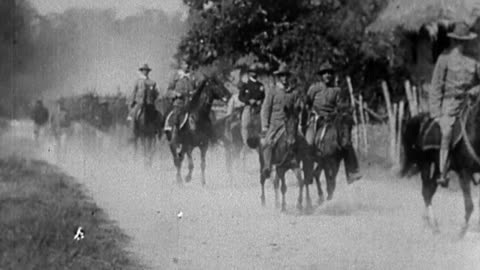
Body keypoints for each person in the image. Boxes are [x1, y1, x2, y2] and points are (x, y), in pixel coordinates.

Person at [431, 21, 480, 187]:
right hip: (448, 107)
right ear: (453, 41)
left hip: (468, 105)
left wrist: (476, 89)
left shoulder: (473, 62)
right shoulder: (443, 59)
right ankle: (442, 171)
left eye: (464, 41)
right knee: (446, 133)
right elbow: (436, 87)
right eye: (459, 41)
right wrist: (436, 114)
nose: (461, 45)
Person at [305, 61, 362, 184]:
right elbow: (307, 103)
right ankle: (308, 173)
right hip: (317, 119)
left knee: (346, 141)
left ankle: (352, 171)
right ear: (321, 75)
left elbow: (339, 105)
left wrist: (341, 111)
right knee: (309, 142)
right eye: (325, 73)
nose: (327, 75)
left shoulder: (336, 90)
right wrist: (311, 114)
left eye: (329, 73)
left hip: (331, 119)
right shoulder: (314, 88)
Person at [260, 64, 300, 178]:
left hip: (290, 124)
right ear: (279, 77)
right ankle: (267, 167)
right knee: (267, 142)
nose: (285, 78)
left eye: (286, 76)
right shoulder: (272, 91)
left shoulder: (293, 92)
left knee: (304, 143)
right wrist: (265, 126)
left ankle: (306, 169)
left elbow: (298, 108)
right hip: (275, 124)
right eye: (282, 76)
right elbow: (265, 109)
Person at [128, 64, 160, 137]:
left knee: (157, 115)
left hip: (150, 104)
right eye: (144, 70)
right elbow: (134, 92)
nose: (145, 72)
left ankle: (157, 130)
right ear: (141, 71)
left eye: (147, 70)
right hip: (139, 103)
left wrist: (153, 99)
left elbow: (156, 93)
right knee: (133, 114)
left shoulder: (152, 82)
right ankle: (132, 133)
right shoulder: (137, 81)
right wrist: (132, 102)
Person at [238, 65, 266, 146]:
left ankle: (263, 141)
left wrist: (260, 101)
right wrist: (248, 101)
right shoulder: (246, 85)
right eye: (252, 72)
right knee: (245, 124)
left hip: (259, 108)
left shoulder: (261, 85)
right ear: (249, 73)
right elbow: (240, 97)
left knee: (265, 123)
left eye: (255, 72)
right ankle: (245, 142)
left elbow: (264, 97)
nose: (253, 74)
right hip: (248, 107)